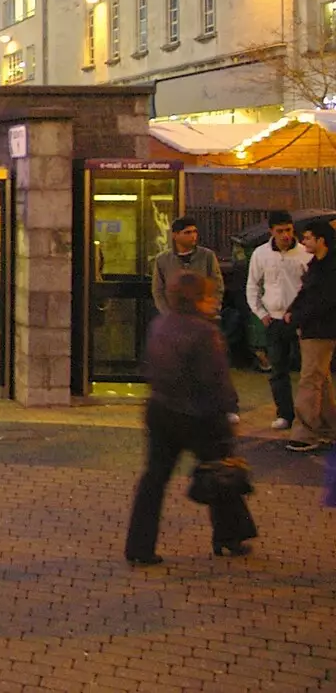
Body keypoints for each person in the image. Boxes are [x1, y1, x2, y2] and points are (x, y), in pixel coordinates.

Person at [124, 271, 257, 564]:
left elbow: (149, 367)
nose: (212, 303)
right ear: (197, 300)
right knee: (221, 469)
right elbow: (216, 379)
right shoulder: (204, 332)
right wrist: (229, 412)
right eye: (208, 297)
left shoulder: (160, 325)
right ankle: (230, 535)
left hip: (161, 410)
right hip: (198, 414)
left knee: (154, 479)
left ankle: (139, 546)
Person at [246, 210, 310, 432]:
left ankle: (308, 415)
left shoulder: (304, 253)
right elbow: (253, 285)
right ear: (271, 231)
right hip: (273, 319)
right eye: (280, 231)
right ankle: (285, 413)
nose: (285, 235)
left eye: (288, 230)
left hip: (300, 319)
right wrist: (261, 313)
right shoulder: (261, 254)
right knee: (278, 370)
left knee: (307, 371)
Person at [286, 218, 336, 452]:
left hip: (321, 330)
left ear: (321, 240)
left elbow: (322, 301)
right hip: (311, 328)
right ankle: (327, 426)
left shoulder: (330, 268)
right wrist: (292, 311)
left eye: (307, 237)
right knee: (321, 378)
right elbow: (306, 294)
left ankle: (305, 432)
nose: (302, 241)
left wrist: (297, 316)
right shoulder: (316, 264)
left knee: (310, 379)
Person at [151, 217, 222, 317]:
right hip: (174, 317)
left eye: (194, 232)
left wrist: (213, 308)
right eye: (187, 232)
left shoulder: (207, 256)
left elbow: (217, 285)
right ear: (175, 235)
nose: (193, 236)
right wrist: (167, 314)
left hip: (202, 315)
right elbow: (158, 290)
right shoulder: (162, 260)